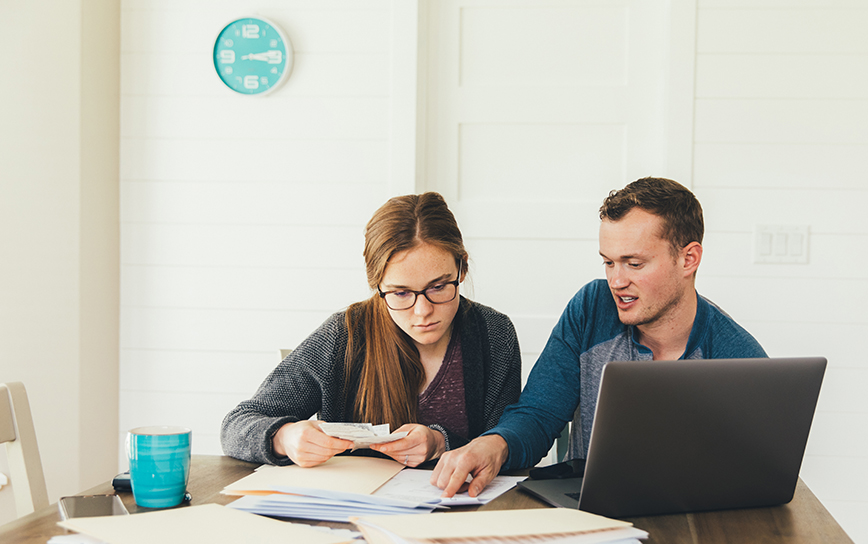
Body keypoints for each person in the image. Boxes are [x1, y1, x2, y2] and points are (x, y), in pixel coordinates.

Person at [431, 177, 766, 496]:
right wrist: (495, 445)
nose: (616, 282)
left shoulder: (740, 359)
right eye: (609, 262)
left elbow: (753, 474)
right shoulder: (591, 308)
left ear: (688, 259)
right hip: (591, 518)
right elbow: (538, 413)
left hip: (694, 528)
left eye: (634, 264)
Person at [221, 192, 521, 468]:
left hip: (461, 515)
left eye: (439, 286)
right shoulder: (345, 336)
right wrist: (283, 437)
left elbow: (505, 445)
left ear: (462, 270)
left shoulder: (493, 335)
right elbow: (236, 425)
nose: (423, 311)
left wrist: (439, 443)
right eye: (401, 293)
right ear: (377, 287)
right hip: (352, 514)